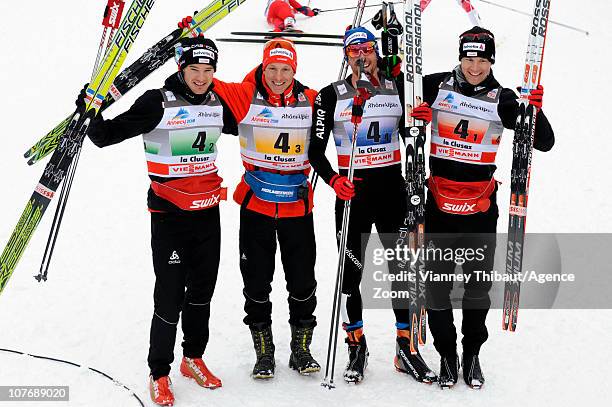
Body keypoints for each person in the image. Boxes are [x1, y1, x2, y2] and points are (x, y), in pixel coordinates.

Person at [83, 36, 237, 406]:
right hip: (169, 216)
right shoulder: (157, 102)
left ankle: (193, 359)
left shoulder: (218, 103)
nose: (201, 77)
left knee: (202, 293)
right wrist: (91, 109)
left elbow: (258, 121)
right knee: (170, 296)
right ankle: (159, 372)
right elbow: (105, 136)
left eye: (207, 70)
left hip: (207, 213)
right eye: (194, 70)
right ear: (180, 69)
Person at [412, 26, 554, 389]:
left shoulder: (502, 98)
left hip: (479, 209)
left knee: (477, 287)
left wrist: (535, 111)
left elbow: (545, 143)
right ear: (459, 57)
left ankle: (472, 354)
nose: (475, 67)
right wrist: (412, 117)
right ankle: (447, 354)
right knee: (437, 286)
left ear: (492, 60)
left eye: (482, 60)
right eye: (468, 59)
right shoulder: (433, 85)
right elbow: (394, 99)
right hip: (440, 207)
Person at [309, 26, 436, 384]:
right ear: (346, 57)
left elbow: (411, 133)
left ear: (376, 52)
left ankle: (405, 346)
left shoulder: (398, 88)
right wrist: (335, 180)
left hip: (391, 190)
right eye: (353, 52)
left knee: (402, 269)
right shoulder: (330, 96)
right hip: (354, 193)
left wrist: (418, 122)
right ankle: (356, 344)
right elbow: (314, 150)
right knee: (352, 274)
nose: (361, 56)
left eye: (366, 49)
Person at [210, 38, 320, 380]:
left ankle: (301, 348)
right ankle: (264, 350)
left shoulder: (312, 100)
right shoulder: (246, 95)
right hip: (256, 206)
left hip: (297, 209)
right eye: (271, 68)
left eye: (285, 69)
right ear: (262, 67)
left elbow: (348, 114)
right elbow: (202, 81)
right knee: (256, 281)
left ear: (294, 70)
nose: (277, 75)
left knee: (302, 282)